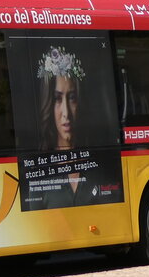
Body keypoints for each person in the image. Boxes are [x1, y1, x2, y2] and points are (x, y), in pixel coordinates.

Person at [37, 46, 101, 207]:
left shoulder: (98, 165)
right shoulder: (39, 173)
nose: (66, 112)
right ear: (48, 105)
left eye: (72, 98)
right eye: (58, 99)